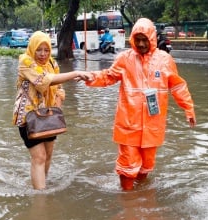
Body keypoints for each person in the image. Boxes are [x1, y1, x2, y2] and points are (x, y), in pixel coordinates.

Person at [83, 18, 196, 191]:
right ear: (133, 40)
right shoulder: (124, 59)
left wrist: (188, 108)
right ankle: (128, 200)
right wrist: (90, 77)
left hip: (153, 125)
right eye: (138, 39)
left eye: (145, 39)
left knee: (146, 165)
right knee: (127, 166)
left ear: (152, 38)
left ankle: (141, 197)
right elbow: (108, 76)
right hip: (128, 124)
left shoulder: (165, 60)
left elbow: (177, 86)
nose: (142, 44)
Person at [13, 31, 89, 190]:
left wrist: (57, 107)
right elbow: (45, 81)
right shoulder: (25, 62)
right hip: (29, 117)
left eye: (46, 50)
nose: (42, 54)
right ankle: (40, 199)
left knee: (47, 155)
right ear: (32, 49)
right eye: (39, 50)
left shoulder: (53, 64)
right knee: (39, 157)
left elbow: (59, 88)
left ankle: (40, 184)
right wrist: (75, 73)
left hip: (48, 116)